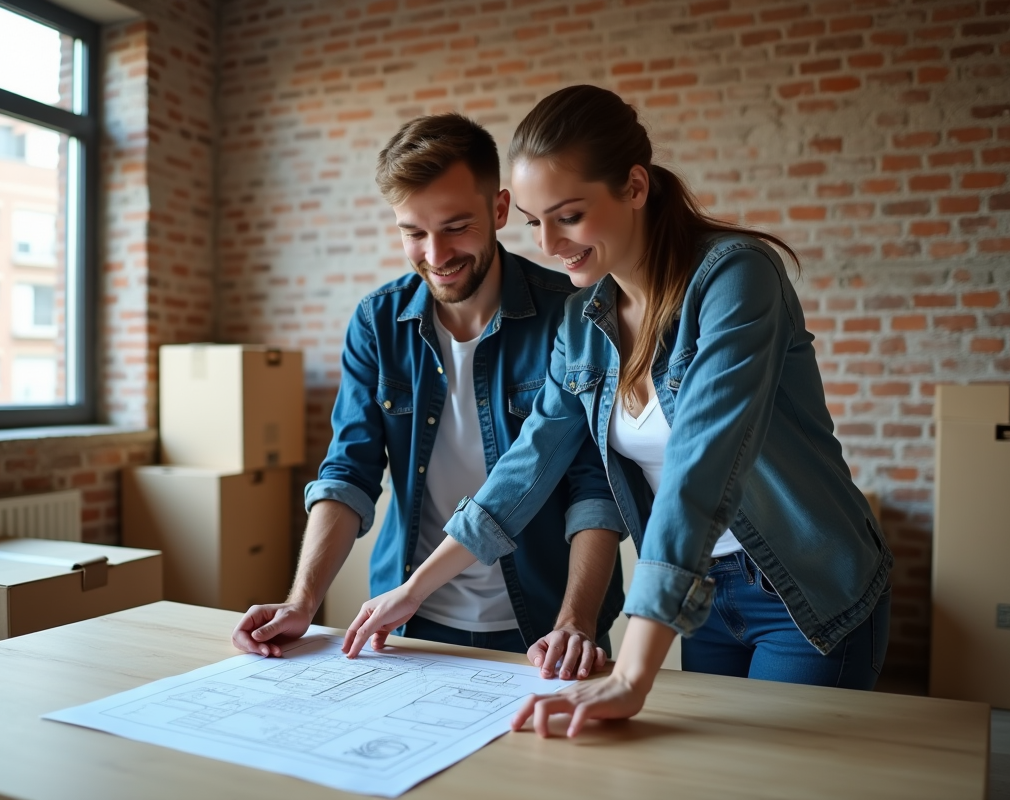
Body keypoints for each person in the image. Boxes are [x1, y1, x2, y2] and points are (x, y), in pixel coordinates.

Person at [341, 85, 893, 736]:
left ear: (634, 186)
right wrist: (412, 591)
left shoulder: (736, 278)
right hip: (704, 595)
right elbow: (524, 469)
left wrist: (631, 674)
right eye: (535, 222)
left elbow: (700, 472)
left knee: (782, 775)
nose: (550, 243)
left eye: (569, 216)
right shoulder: (582, 320)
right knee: (716, 775)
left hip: (804, 584)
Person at [231, 112, 628, 681]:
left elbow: (595, 487)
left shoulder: (572, 315)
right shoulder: (377, 323)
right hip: (409, 622)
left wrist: (577, 622)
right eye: (413, 233)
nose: (436, 255)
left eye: (456, 227)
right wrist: (302, 601)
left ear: (499, 210)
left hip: (547, 628)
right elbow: (349, 471)